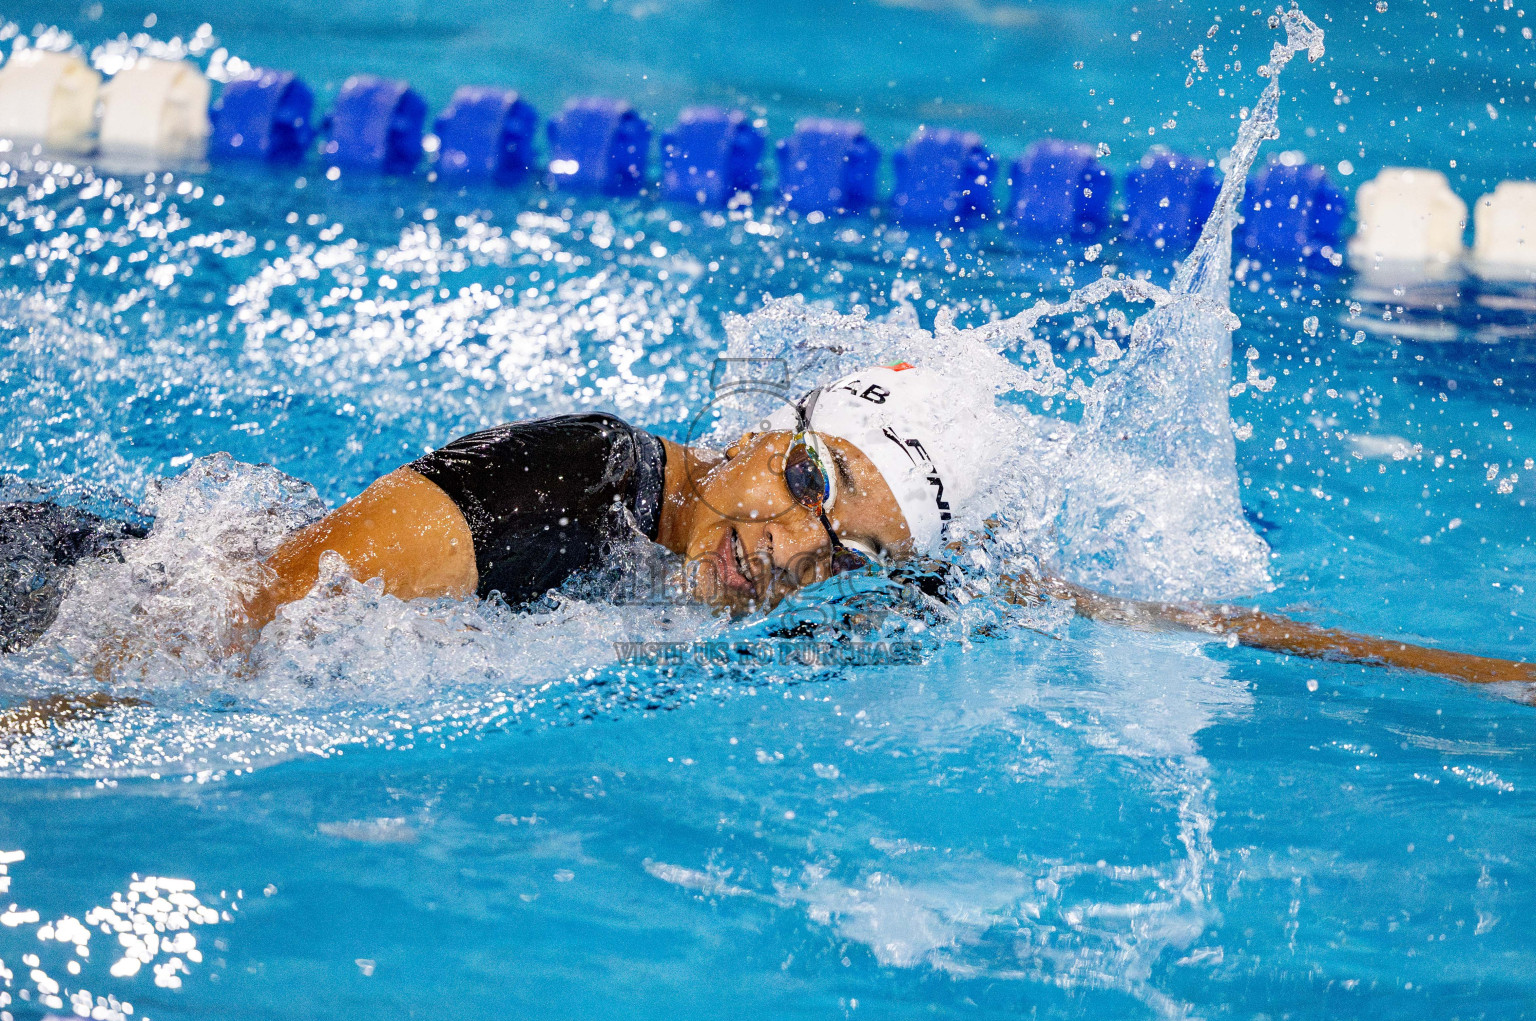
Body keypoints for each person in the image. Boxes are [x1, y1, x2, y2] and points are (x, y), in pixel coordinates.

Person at [1, 363, 1532, 722]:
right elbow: (238, 629)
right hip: (53, 586)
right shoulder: (579, 480)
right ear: (761, 427)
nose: (790, 545)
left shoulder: (826, 580)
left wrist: (1476, 671)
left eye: (846, 544)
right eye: (809, 478)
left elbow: (1115, 607)